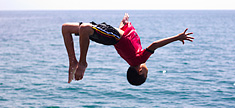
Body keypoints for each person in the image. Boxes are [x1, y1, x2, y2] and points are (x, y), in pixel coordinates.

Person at [62, 13, 194, 85]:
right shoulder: (134, 56)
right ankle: (72, 61)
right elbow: (124, 35)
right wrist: (124, 22)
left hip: (111, 36)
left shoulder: (139, 59)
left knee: (84, 28)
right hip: (111, 34)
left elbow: (155, 45)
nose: (148, 70)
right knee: (65, 28)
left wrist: (177, 37)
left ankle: (82, 62)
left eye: (146, 73)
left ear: (140, 71)